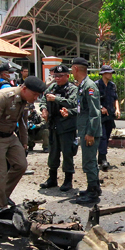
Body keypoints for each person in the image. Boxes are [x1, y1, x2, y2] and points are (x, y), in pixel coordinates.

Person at [0, 77, 45, 208]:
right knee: (0, 173)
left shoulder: (26, 100)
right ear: (24, 89)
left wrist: (24, 141)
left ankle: (4, 195)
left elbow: (23, 122)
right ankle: (0, 207)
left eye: (38, 95)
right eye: (34, 94)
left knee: (21, 165)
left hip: (11, 136)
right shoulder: (3, 97)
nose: (36, 98)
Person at [40, 64, 79, 192]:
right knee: (53, 152)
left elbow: (73, 103)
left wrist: (56, 99)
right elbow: (43, 99)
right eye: (55, 76)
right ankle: (52, 178)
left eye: (60, 76)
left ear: (67, 76)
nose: (57, 78)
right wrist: (44, 109)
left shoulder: (72, 89)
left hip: (67, 126)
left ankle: (68, 180)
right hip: (53, 124)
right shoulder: (52, 87)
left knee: (67, 153)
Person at [72, 58, 102, 203]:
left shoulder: (90, 86)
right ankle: (94, 187)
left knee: (88, 162)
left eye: (72, 69)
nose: (71, 71)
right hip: (85, 129)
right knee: (91, 161)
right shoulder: (83, 85)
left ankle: (93, 193)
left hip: (90, 131)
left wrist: (90, 133)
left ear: (76, 69)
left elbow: (95, 112)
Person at [95, 66, 120, 170]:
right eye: (108, 73)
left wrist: (117, 109)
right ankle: (104, 159)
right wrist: (100, 107)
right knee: (102, 136)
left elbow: (115, 98)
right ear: (103, 74)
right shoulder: (96, 85)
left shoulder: (112, 85)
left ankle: (100, 158)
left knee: (107, 135)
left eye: (111, 73)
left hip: (110, 114)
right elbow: (93, 99)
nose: (110, 75)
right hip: (100, 116)